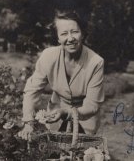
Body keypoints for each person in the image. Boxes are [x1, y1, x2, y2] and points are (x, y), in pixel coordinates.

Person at [18, 9, 104, 140]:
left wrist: (66, 113)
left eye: (75, 32)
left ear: (83, 34)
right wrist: (29, 122)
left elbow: (92, 105)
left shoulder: (96, 62)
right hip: (54, 119)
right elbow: (32, 90)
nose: (70, 38)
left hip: (85, 120)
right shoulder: (49, 56)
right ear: (58, 38)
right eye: (64, 33)